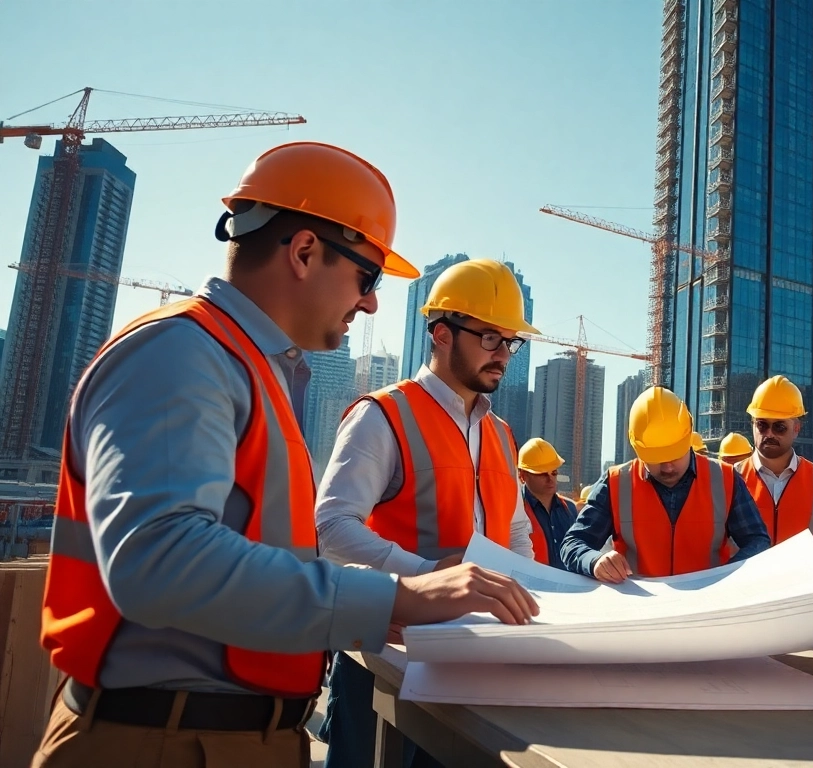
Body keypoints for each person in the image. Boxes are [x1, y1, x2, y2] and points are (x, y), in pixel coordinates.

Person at [34, 142, 537, 768]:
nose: (372, 302)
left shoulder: (256, 373)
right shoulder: (180, 353)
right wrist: (403, 595)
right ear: (303, 252)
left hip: (233, 736)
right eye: (367, 276)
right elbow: (158, 558)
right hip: (159, 740)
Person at [314, 258, 539, 768]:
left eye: (511, 342)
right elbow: (330, 528)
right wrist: (429, 578)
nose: (503, 354)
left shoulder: (501, 434)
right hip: (387, 657)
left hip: (475, 660)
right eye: (489, 338)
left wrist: (531, 594)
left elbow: (516, 529)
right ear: (442, 333)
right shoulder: (382, 415)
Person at [561, 387, 770, 582]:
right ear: (637, 448)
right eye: (657, 458)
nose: (668, 467)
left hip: (709, 607)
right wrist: (594, 561)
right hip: (642, 610)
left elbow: (758, 541)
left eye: (675, 455)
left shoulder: (725, 479)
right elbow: (573, 544)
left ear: (688, 436)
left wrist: (727, 576)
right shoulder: (616, 483)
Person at [736, 376, 813, 550]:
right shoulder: (731, 480)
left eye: (779, 427)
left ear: (796, 429)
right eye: (762, 425)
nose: (770, 434)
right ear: (752, 425)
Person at [516, 438, 580, 569]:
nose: (550, 479)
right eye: (542, 473)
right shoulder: (515, 511)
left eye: (554, 472)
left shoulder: (570, 509)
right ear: (523, 476)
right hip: (531, 586)